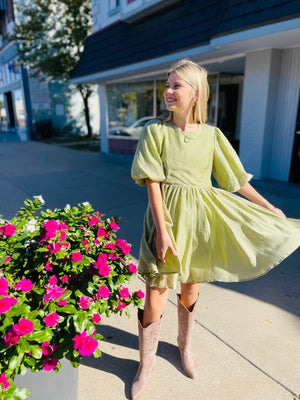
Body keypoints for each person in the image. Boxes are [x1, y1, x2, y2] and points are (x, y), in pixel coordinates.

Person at [130, 59, 300, 400]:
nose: (168, 91)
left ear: (196, 92)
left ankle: (184, 346)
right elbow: (152, 181)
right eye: (167, 85)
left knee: (190, 291)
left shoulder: (212, 136)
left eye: (177, 85)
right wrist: (162, 230)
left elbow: (236, 181)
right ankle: (145, 364)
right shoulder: (156, 131)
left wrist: (268, 207)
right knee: (155, 296)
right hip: (165, 223)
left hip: (199, 223)